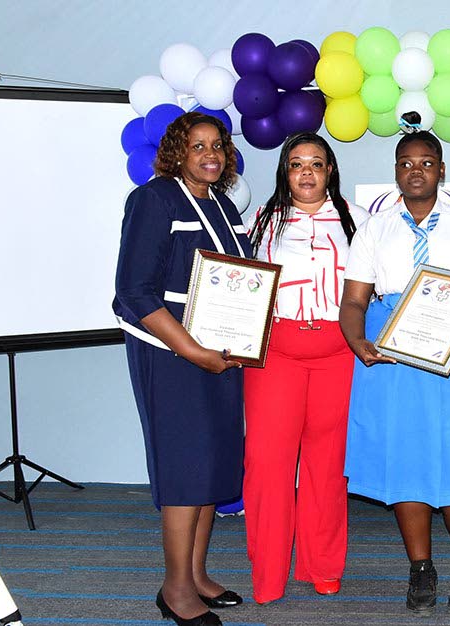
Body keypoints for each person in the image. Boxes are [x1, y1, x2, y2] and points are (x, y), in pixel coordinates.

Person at [340, 128, 450, 616]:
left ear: (442, 170)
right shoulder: (374, 229)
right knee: (405, 459)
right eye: (406, 163)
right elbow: (354, 300)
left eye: (426, 162)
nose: (416, 171)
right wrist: (357, 340)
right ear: (396, 171)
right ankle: (420, 568)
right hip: (390, 352)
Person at [114, 112, 248, 626]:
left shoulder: (223, 205)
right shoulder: (154, 199)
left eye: (217, 146)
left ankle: (195, 573)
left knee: (211, 462)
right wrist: (192, 351)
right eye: (197, 146)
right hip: (170, 354)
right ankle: (174, 589)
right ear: (177, 152)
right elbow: (134, 292)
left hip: (220, 353)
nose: (210, 154)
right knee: (184, 466)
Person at [243, 133, 369, 603]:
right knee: (267, 465)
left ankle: (322, 565)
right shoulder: (262, 221)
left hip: (338, 354)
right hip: (276, 354)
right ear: (285, 172)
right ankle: (268, 574)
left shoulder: (358, 220)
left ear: (330, 170)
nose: (307, 172)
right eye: (297, 164)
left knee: (328, 466)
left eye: (316, 163)